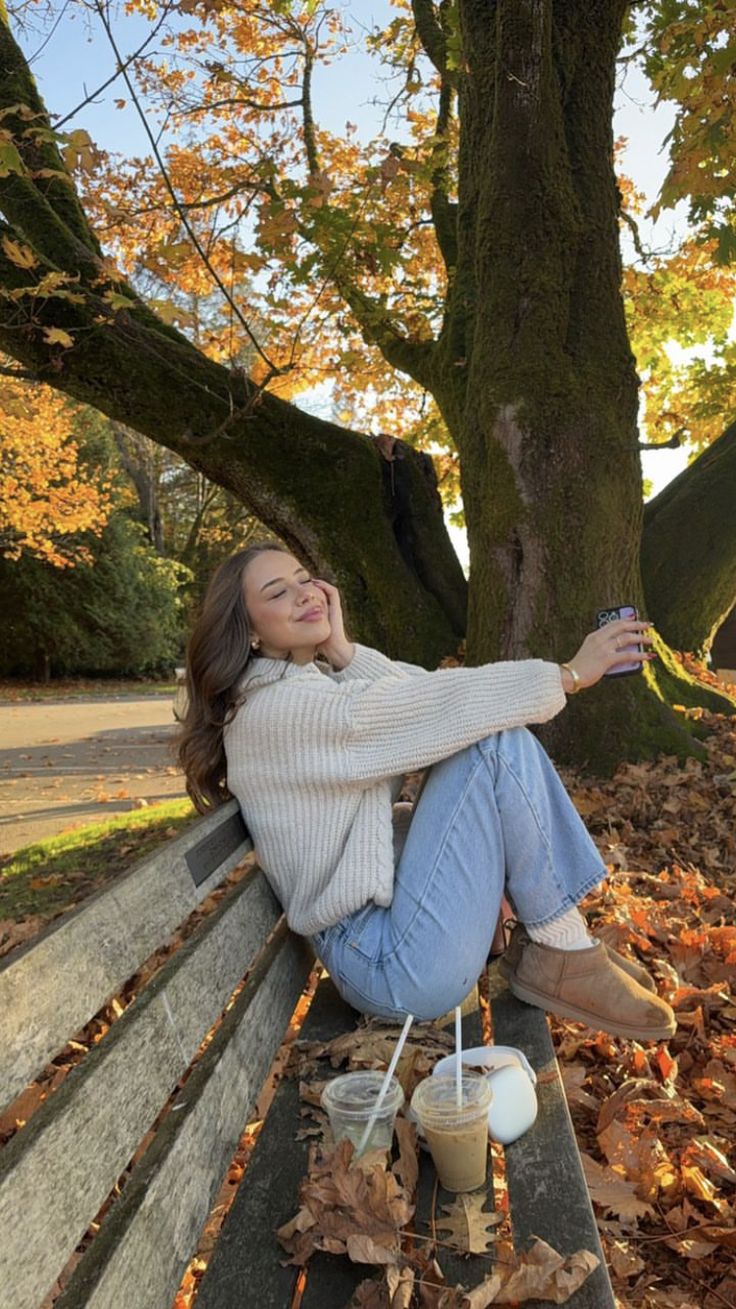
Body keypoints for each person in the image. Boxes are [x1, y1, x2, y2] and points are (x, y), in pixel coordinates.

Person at [178, 541, 675, 1043]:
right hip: (390, 967)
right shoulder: (283, 712)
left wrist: (343, 651)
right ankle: (561, 945)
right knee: (493, 741)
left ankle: (561, 943)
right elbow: (426, 706)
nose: (305, 594)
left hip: (390, 938)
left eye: (305, 578)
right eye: (278, 593)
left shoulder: (304, 688)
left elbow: (412, 699)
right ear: (251, 634)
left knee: (478, 734)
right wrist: (566, 675)